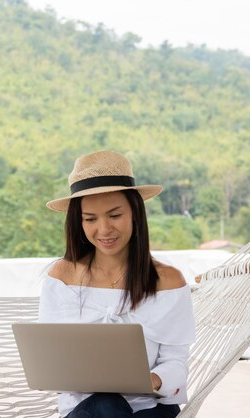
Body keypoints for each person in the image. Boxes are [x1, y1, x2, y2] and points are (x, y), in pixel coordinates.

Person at [39, 150, 195, 418]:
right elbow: (51, 360)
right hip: (85, 411)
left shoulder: (168, 281)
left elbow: (176, 363)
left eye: (114, 215)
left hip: (150, 409)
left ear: (135, 212)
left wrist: (153, 380)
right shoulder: (61, 277)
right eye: (90, 219)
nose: (104, 230)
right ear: (78, 222)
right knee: (105, 405)